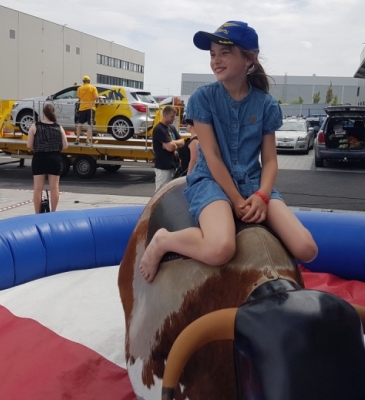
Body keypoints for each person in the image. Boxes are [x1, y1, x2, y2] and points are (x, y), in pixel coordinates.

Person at [140, 20, 318, 283]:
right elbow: (210, 155)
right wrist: (236, 200)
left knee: (307, 248)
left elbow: (269, 160)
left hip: (253, 182)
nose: (216, 60)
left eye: (225, 53)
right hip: (211, 180)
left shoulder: (266, 104)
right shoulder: (203, 98)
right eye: (213, 54)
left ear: (249, 59)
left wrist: (262, 196)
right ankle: (164, 240)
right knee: (220, 248)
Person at [27, 103, 68, 213]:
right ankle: (53, 212)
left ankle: (37, 213)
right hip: (54, 158)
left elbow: (29, 145)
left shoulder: (35, 126)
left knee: (37, 189)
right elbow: (65, 145)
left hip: (39, 158)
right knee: (54, 188)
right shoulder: (58, 127)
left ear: (43, 113)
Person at [152, 105, 185, 191]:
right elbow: (171, 148)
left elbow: (182, 142)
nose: (173, 119)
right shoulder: (159, 129)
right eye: (172, 117)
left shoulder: (171, 128)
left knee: (171, 192)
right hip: (164, 167)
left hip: (173, 165)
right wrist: (171, 145)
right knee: (161, 192)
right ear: (165, 115)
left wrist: (172, 142)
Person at [75, 75, 99, 147]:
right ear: (89, 81)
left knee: (80, 124)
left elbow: (79, 97)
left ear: (83, 81)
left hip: (82, 108)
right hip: (91, 108)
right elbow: (96, 97)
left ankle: (77, 139)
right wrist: (98, 98)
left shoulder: (79, 88)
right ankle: (87, 140)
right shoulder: (93, 88)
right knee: (90, 125)